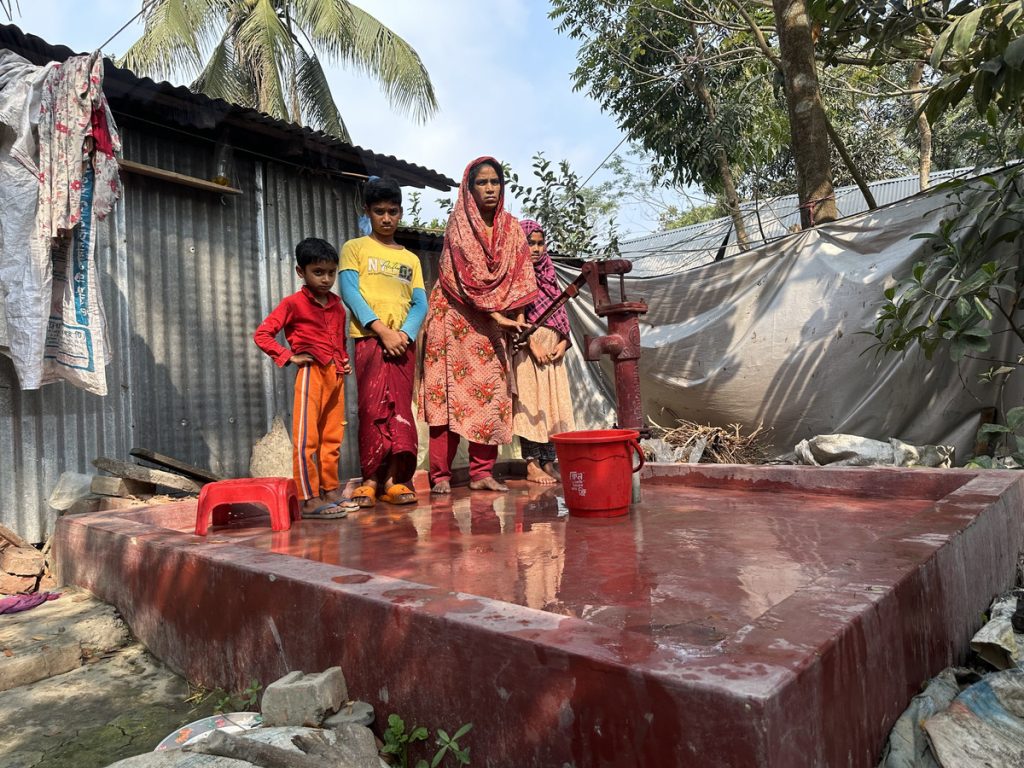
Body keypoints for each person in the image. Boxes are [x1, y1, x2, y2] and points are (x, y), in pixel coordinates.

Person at [419, 157, 538, 494]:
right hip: (453, 318)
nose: (489, 188)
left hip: (492, 324)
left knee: (492, 396)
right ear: (468, 189)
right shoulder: (459, 224)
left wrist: (517, 318)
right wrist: (498, 316)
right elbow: (464, 280)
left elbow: (520, 275)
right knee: (446, 397)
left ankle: (482, 473)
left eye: (495, 182)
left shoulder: (513, 228)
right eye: (482, 183)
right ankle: (440, 475)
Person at [339, 176, 427, 508]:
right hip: (370, 341)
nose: (387, 218)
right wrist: (382, 331)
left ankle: (395, 480)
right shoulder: (355, 248)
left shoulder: (412, 259)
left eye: (392, 211)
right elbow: (350, 292)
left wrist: (404, 335)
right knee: (372, 408)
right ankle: (370, 480)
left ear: (401, 213)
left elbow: (420, 303)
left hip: (403, 345)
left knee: (400, 410)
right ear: (367, 212)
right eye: (379, 212)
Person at [253, 237, 353, 519]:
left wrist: (343, 361)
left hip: (335, 375)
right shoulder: (293, 304)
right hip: (311, 375)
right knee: (307, 439)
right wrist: (288, 356)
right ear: (301, 272)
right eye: (318, 272)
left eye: (331, 273)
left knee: (332, 437)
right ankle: (308, 498)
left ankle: (330, 490)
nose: (326, 279)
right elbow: (262, 334)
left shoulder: (337, 305)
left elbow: (341, 340)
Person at [513, 220, 576, 483]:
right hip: (529, 349)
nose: (536, 249)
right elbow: (514, 317)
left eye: (540, 243)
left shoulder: (550, 275)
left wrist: (563, 343)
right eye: (530, 243)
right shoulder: (516, 276)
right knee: (531, 405)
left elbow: (561, 316)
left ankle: (549, 462)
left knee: (552, 405)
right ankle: (532, 464)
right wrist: (532, 344)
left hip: (553, 353)